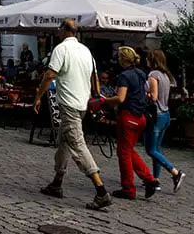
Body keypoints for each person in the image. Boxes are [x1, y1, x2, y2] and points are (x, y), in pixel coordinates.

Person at [33, 19, 112, 211]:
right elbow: (94, 75)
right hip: (82, 103)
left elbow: (50, 75)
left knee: (77, 144)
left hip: (68, 103)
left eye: (59, 29)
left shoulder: (61, 49)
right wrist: (95, 94)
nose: (57, 32)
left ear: (63, 31)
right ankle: (57, 182)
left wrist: (38, 96)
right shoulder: (85, 50)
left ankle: (101, 190)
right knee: (64, 142)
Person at [101, 46, 159, 200]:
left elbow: (120, 98)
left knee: (124, 153)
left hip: (128, 116)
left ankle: (129, 188)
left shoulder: (124, 76)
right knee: (128, 149)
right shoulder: (141, 73)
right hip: (140, 117)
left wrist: (104, 101)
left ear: (122, 58)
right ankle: (149, 179)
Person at [144, 50, 184, 193]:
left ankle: (174, 172)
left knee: (151, 150)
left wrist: (145, 94)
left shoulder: (153, 75)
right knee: (157, 149)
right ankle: (156, 179)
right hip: (166, 114)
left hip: (157, 115)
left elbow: (153, 97)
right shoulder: (166, 75)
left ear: (152, 60)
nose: (146, 60)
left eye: (148, 58)